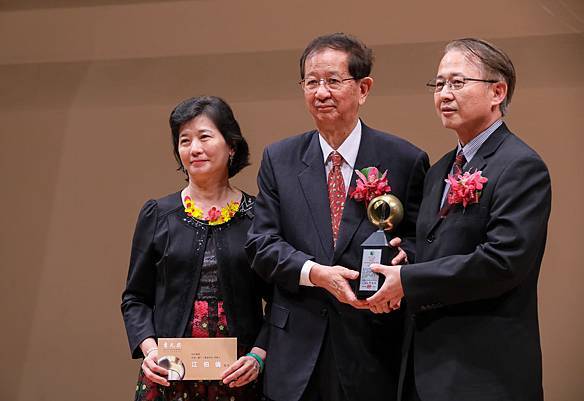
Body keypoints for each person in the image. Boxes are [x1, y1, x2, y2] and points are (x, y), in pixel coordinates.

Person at [246, 33, 429, 401]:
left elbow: (421, 241)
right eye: (311, 82)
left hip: (373, 344)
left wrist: (403, 259)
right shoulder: (279, 159)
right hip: (295, 347)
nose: (321, 92)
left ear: (363, 88)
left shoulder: (405, 159)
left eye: (333, 80)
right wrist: (318, 274)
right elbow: (261, 244)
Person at [368, 38, 551, 401]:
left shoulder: (520, 166)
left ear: (498, 92)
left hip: (484, 372)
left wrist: (409, 279)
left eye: (457, 82)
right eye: (438, 84)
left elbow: (503, 262)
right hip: (425, 370)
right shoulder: (439, 171)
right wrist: (408, 257)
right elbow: (438, 246)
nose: (444, 94)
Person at [121, 96, 270, 401]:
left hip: (239, 372)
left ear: (231, 146)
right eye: (184, 140)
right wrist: (150, 352)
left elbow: (282, 300)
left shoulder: (259, 216)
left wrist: (258, 355)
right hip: (168, 372)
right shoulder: (158, 214)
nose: (195, 149)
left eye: (204, 136)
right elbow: (135, 298)